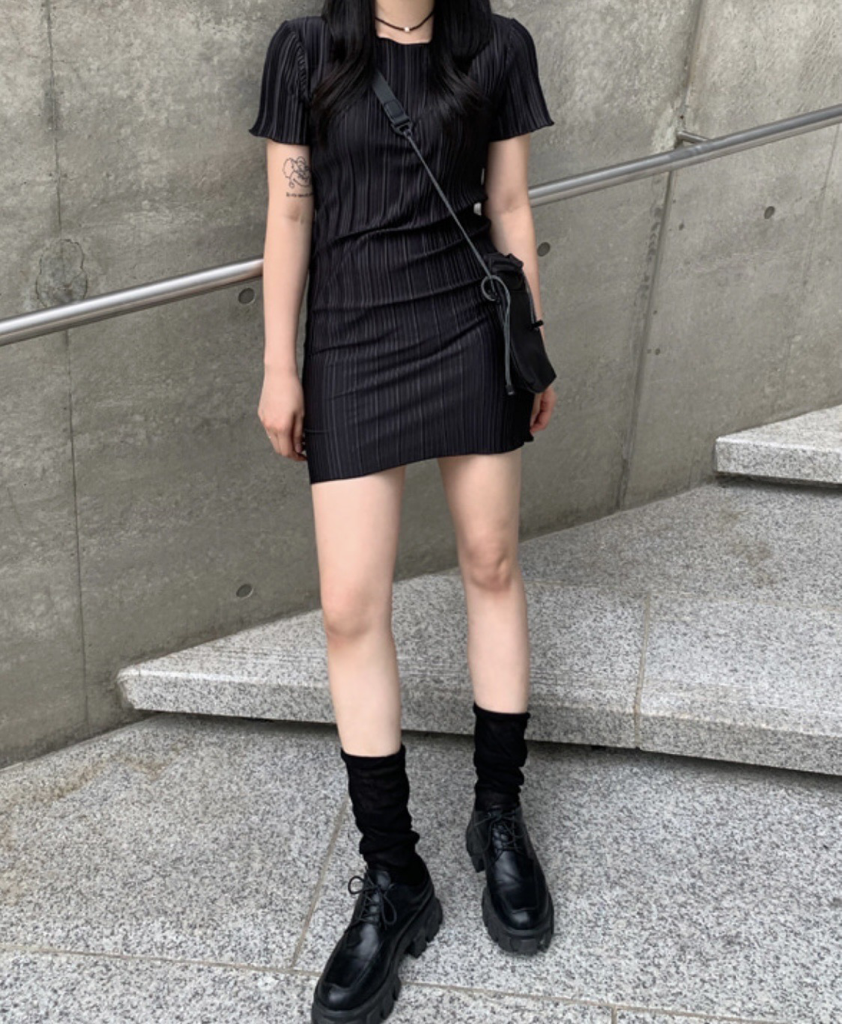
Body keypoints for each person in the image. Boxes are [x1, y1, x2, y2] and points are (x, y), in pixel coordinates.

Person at [248, 2, 557, 1020]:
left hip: (468, 324)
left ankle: (497, 817)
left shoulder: (497, 46)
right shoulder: (307, 50)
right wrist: (279, 366)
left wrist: (533, 341)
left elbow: (507, 202)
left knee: (491, 561)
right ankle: (394, 872)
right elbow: (289, 213)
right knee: (348, 607)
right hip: (349, 335)